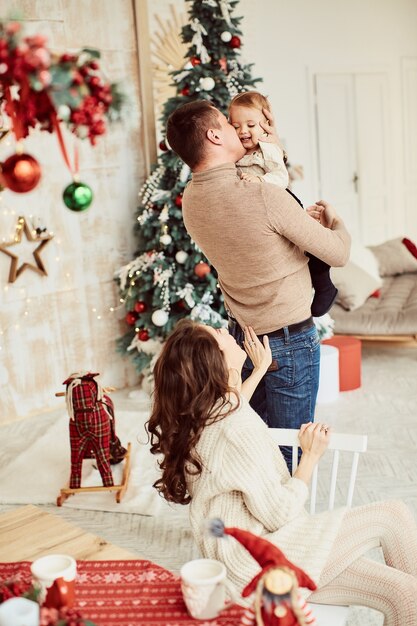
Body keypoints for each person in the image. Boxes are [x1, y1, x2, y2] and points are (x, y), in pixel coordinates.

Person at [147, 319, 417, 626]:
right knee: (394, 516)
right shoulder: (235, 428)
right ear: (216, 360)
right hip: (265, 562)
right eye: (218, 335)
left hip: (240, 561)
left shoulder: (199, 417)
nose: (224, 330)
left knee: (404, 591)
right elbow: (280, 512)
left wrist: (258, 369)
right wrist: (311, 456)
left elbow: (234, 406)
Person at [166, 100, 351, 469]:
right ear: (215, 135)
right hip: (290, 342)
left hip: (243, 341)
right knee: (289, 450)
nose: (238, 130)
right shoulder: (263, 195)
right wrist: (335, 222)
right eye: (227, 122)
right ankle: (283, 522)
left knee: (254, 443)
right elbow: (338, 253)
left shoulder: (192, 200)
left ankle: (255, 520)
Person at [228, 90, 338, 318]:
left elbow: (281, 177)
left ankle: (324, 285)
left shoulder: (268, 148)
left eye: (250, 124)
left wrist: (260, 180)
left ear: (266, 125)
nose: (243, 131)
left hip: (283, 201)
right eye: (236, 126)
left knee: (308, 242)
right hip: (263, 211)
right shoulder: (237, 152)